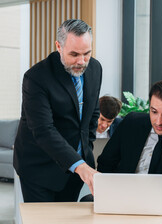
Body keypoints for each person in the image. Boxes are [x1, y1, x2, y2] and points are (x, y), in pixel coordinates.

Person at [13, 19, 102, 202]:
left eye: (87, 53)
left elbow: (92, 112)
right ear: (58, 46)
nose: (81, 61)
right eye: (74, 54)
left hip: (74, 167)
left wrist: (86, 147)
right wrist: (79, 165)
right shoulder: (36, 78)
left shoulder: (95, 68)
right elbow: (44, 130)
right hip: (39, 167)